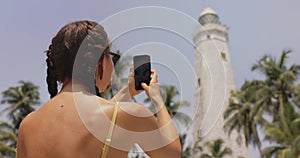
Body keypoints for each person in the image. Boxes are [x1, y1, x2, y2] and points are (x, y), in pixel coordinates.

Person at [16, 20, 181, 158]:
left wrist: (126, 92)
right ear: (100, 62)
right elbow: (172, 154)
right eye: (112, 58)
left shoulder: (28, 125)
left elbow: (91, 122)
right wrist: (157, 98)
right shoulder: (132, 114)